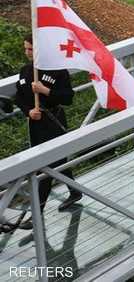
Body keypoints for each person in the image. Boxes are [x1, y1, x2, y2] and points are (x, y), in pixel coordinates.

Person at [9, 34, 82, 230]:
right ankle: (75, 191)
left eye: (30, 49)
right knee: (58, 162)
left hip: (53, 121)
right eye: (25, 49)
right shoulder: (25, 71)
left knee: (46, 168)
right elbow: (18, 97)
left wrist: (44, 90)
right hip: (36, 124)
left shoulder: (58, 70)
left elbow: (68, 97)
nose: (27, 53)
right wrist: (28, 112)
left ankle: (36, 216)